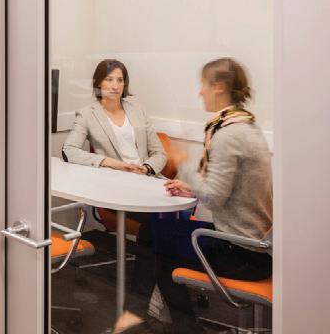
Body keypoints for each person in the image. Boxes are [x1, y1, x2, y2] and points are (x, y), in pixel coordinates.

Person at [117, 58, 273, 334]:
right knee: (154, 231)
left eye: (203, 85)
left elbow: (213, 198)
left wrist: (184, 164)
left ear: (219, 87)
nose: (200, 92)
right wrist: (190, 188)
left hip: (240, 252)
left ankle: (141, 319)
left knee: (158, 246)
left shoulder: (228, 135)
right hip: (252, 246)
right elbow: (228, 190)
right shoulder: (244, 126)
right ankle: (151, 319)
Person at [62, 59, 166, 175]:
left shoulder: (138, 110)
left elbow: (159, 153)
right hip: (115, 177)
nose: (115, 86)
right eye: (109, 79)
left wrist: (146, 168)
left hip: (147, 176)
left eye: (120, 80)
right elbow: (69, 150)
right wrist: (111, 163)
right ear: (99, 83)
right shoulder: (86, 114)